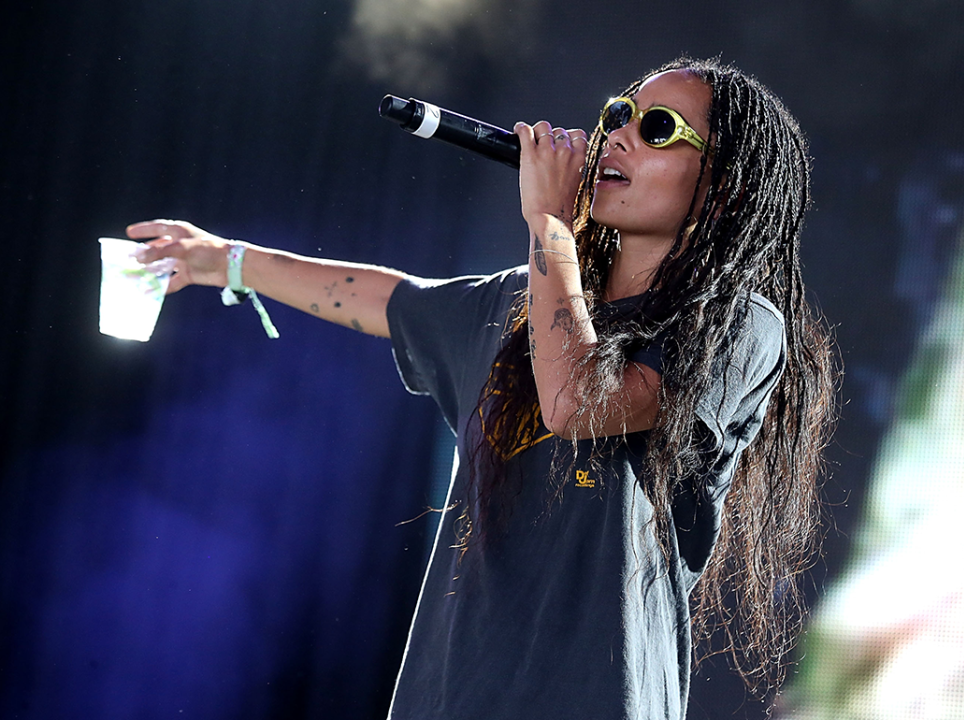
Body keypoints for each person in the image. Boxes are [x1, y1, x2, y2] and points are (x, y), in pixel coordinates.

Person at [131, 57, 835, 719]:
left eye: (656, 129)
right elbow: (391, 299)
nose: (616, 134)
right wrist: (220, 259)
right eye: (619, 113)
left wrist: (551, 225)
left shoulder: (739, 328)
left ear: (726, 187)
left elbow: (575, 403)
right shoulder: (520, 304)